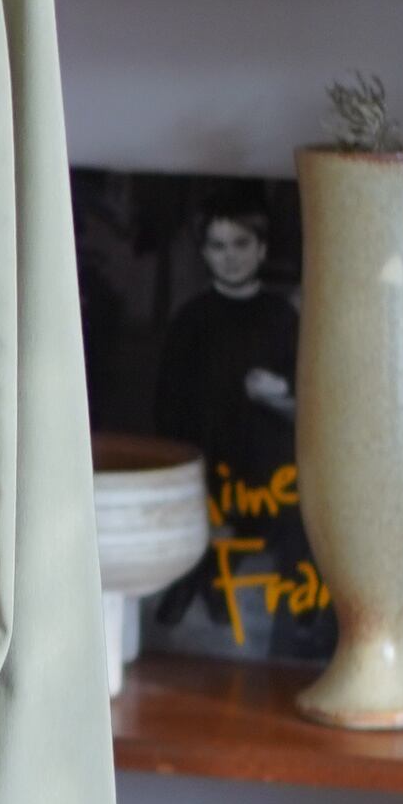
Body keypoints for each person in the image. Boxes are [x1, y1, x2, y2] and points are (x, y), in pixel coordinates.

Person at [153, 196, 304, 639]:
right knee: (202, 504)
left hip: (264, 456)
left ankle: (218, 577)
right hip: (205, 451)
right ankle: (197, 576)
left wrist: (281, 390)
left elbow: (308, 391)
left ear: (261, 249)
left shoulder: (282, 317)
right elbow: (169, 401)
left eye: (241, 244)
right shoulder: (191, 319)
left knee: (276, 507)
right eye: (217, 246)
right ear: (204, 253)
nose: (230, 256)